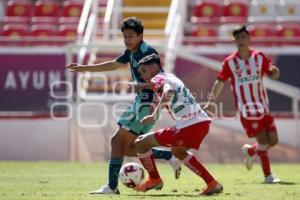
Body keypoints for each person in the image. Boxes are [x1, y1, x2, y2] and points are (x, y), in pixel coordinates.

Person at [66, 17, 181, 194]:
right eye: (125, 37)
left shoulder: (148, 53)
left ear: (140, 36)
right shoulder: (131, 52)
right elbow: (112, 65)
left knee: (117, 141)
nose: (127, 40)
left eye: (131, 36)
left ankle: (112, 187)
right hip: (141, 101)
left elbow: (162, 80)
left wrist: (143, 90)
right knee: (131, 147)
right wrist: (83, 68)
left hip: (146, 102)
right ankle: (170, 156)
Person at [133, 54, 223, 195]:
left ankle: (154, 179)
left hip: (188, 125)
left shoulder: (157, 79)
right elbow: (167, 91)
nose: (142, 75)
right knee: (178, 151)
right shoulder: (170, 76)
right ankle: (212, 183)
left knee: (140, 143)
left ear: (154, 67)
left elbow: (167, 92)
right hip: (201, 121)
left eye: (143, 71)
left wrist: (154, 115)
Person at [204, 25, 280, 183]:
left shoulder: (259, 57)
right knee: (263, 141)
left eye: (243, 37)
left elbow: (273, 72)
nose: (241, 40)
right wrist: (211, 101)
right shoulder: (230, 62)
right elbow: (219, 82)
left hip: (263, 106)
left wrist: (275, 72)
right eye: (238, 38)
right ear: (234, 41)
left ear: (249, 39)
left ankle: (251, 152)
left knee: (273, 140)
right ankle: (268, 176)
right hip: (247, 109)